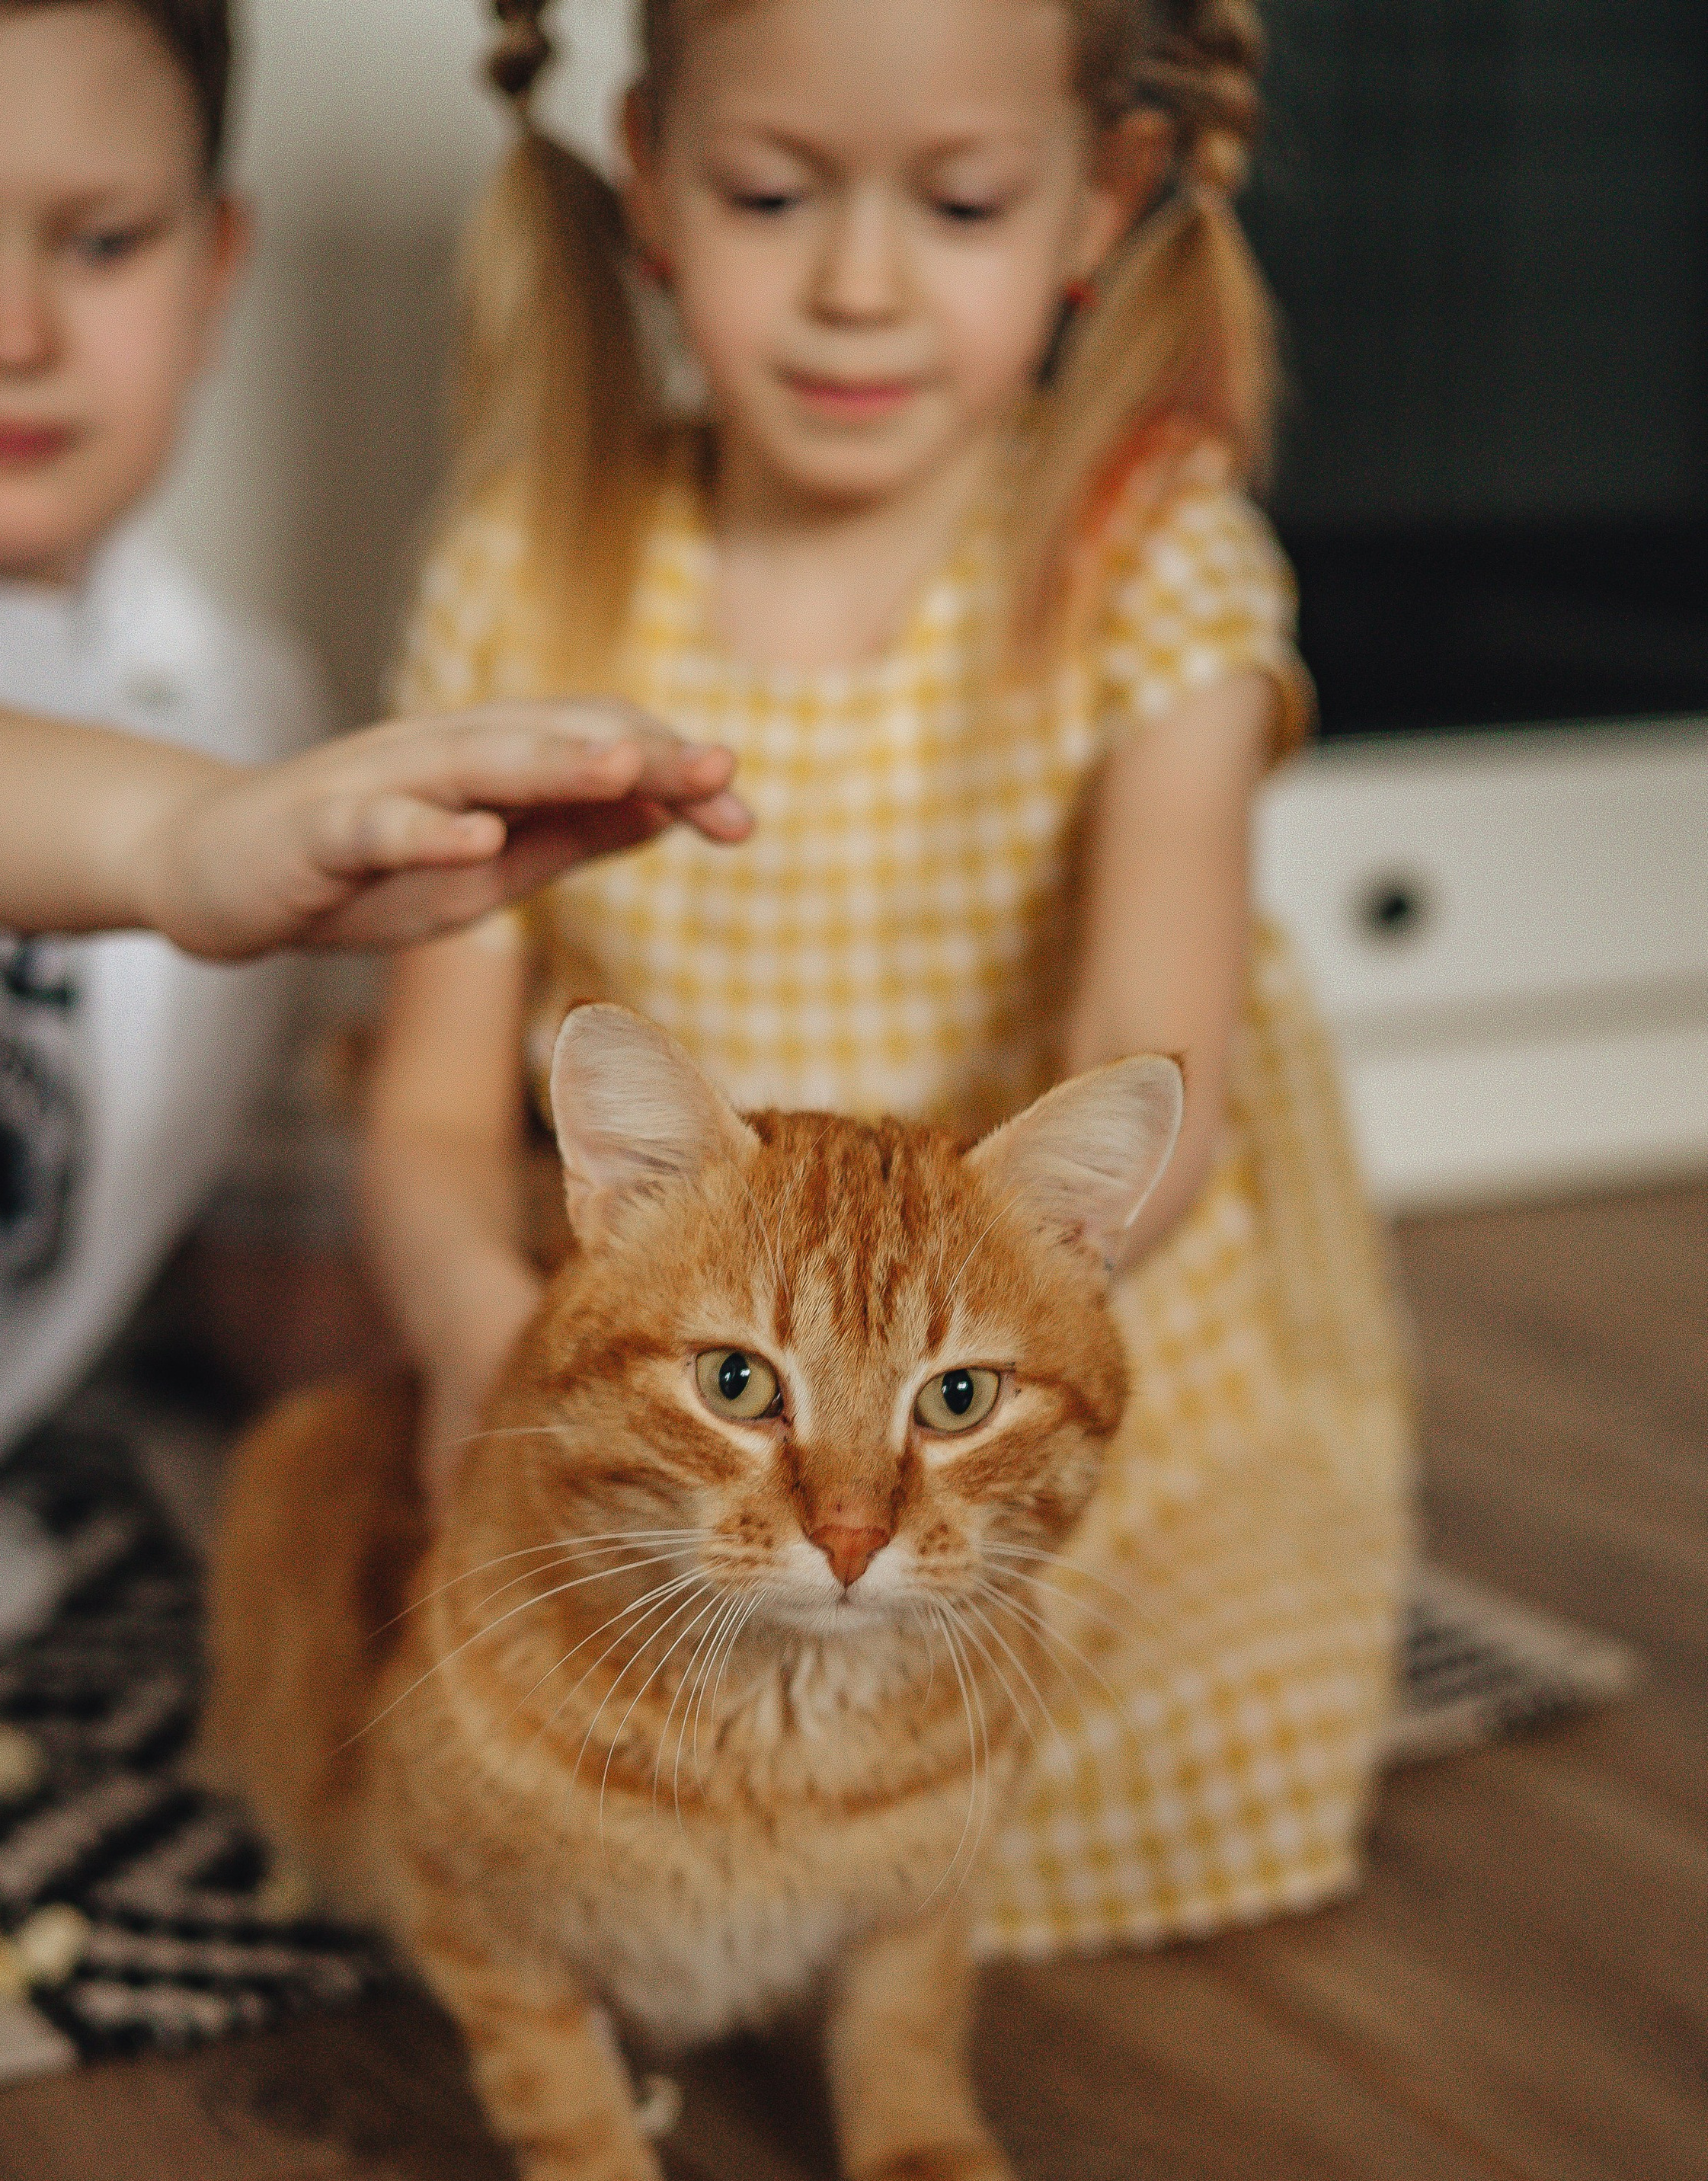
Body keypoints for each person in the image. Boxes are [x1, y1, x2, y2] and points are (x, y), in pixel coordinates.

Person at [369, 0, 1415, 1958]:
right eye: (773, 194)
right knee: (495, 1697)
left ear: (1097, 203)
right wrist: (462, 1332)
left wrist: (1002, 1313)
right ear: (655, 178)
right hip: (686, 1352)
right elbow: (434, 1103)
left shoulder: (1148, 561)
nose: (856, 287)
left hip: (1023, 1325)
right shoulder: (530, 565)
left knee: (1137, 1725)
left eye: (954, 203)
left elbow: (1143, 1068)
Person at [0, 0, 744, 1755]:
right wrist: (168, 845)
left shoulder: (247, 718)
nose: (10, 329)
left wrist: (539, 1322)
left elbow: (233, 1229)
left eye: (102, 241)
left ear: (216, 266)